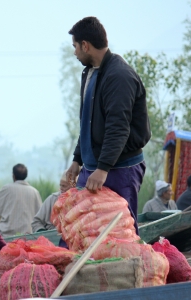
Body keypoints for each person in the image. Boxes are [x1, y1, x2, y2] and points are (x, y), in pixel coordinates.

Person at [65, 17, 151, 232]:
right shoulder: (91, 72)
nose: (75, 52)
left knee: (121, 233)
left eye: (75, 46)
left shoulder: (119, 76)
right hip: (93, 167)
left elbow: (118, 127)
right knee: (81, 231)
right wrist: (77, 159)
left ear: (86, 45)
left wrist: (103, 169)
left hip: (120, 168)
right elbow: (87, 123)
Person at [0, 164, 42, 237]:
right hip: (29, 234)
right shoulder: (34, 192)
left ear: (13, 176)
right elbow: (40, 215)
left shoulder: (8, 188)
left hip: (7, 233)